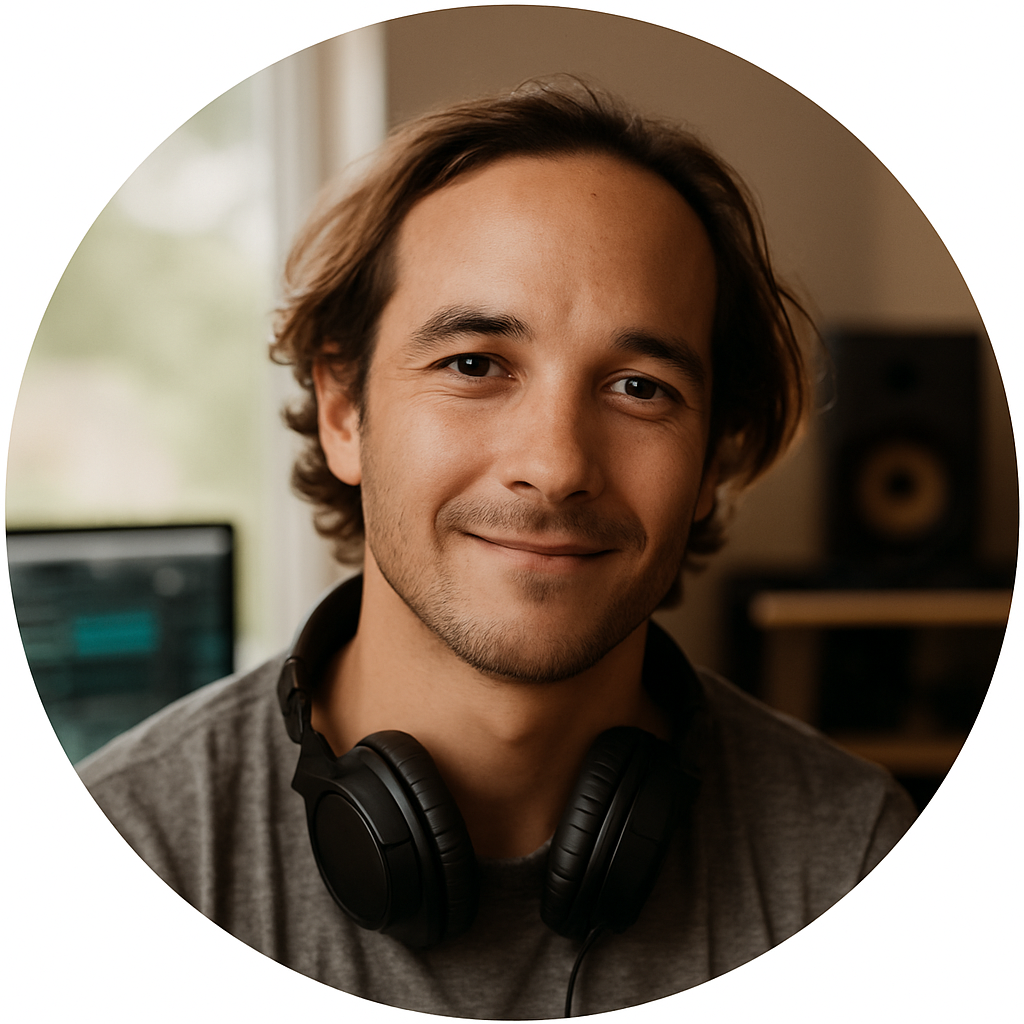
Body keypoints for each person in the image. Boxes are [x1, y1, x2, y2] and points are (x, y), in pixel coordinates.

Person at [78, 79, 916, 1018]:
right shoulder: (118, 857)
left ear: (716, 449)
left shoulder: (857, 865)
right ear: (344, 411)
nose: (556, 466)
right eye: (473, 365)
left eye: (640, 387)